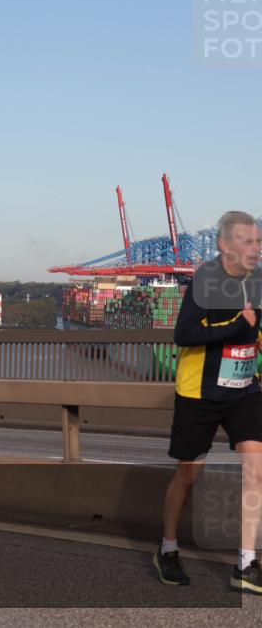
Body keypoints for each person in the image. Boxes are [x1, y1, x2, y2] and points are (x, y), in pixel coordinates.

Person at [153, 211, 262, 593]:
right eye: (248, 242)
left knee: (257, 471)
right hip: (199, 394)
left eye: (259, 241)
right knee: (188, 476)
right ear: (224, 245)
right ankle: (168, 549)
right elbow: (183, 334)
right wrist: (239, 323)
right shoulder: (205, 280)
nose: (256, 249)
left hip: (244, 392)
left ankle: (246, 564)